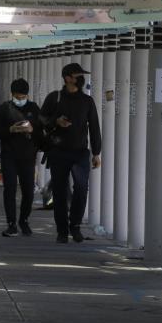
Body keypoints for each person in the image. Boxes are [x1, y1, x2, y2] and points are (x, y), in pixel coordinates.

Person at [40, 63, 102, 243]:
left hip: (80, 152)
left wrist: (96, 153)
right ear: (67, 78)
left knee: (82, 189)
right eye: (77, 76)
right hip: (58, 151)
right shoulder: (55, 98)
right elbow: (42, 120)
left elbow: (94, 127)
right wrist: (56, 122)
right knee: (59, 191)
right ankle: (61, 230)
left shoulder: (87, 101)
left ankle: (75, 225)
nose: (81, 79)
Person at [0, 78, 42, 237]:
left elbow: (42, 130)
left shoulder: (34, 108)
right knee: (10, 189)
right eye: (18, 97)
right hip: (9, 155)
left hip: (28, 156)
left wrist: (32, 129)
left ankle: (24, 220)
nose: (21, 100)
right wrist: (10, 130)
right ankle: (11, 223)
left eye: (23, 97)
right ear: (12, 94)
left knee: (28, 191)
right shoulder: (4, 109)